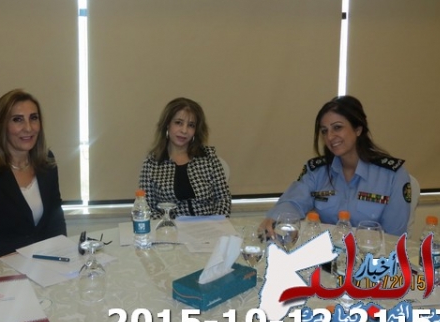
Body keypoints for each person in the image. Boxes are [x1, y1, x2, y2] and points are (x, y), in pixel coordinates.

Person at [261, 95, 411, 237]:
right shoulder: (317, 171)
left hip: (372, 253)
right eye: (324, 131)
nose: (330, 137)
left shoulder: (392, 175)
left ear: (358, 129)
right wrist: (276, 218)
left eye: (337, 127)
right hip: (329, 252)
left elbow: (394, 237)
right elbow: (293, 202)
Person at [0, 89, 67, 274]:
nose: (29, 128)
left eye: (33, 118)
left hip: (42, 268)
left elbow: (55, 221)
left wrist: (60, 257)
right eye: (18, 120)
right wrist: (23, 266)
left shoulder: (46, 162)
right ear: (1, 126)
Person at [138, 97, 232, 219]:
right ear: (167, 125)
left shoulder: (209, 157)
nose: (184, 130)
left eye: (191, 125)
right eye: (178, 123)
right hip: (171, 227)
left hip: (209, 225)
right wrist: (168, 225)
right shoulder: (152, 163)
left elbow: (223, 198)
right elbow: (147, 208)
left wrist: (215, 222)